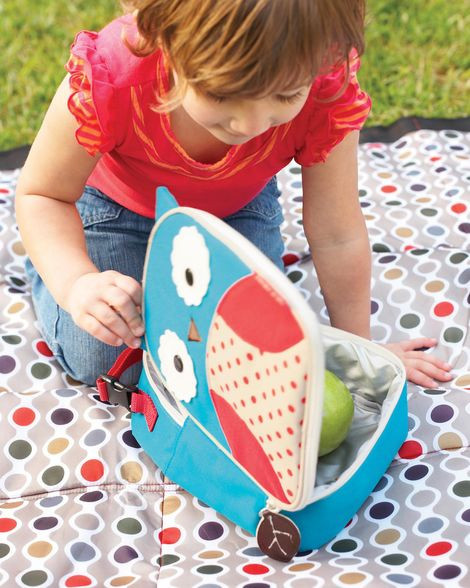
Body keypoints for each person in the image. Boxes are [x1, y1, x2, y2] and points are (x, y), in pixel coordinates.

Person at [15, 0, 452, 389]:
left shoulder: (325, 82)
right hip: (116, 211)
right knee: (113, 355)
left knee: (261, 355)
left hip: (234, 211)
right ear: (165, 38)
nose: (251, 125)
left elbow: (337, 232)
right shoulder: (115, 73)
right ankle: (50, 265)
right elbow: (43, 194)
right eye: (221, 93)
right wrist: (76, 282)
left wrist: (361, 351)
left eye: (286, 94)